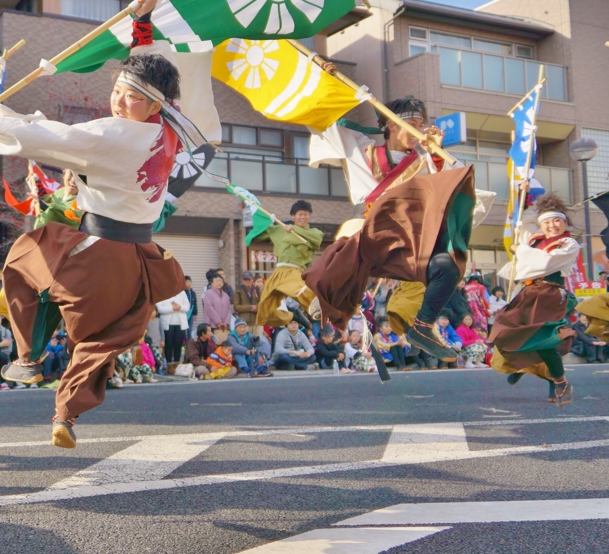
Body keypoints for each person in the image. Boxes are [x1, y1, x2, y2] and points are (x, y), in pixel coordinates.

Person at [0, 0, 188, 449]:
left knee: (22, 260)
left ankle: (27, 357)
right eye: (116, 90)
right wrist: (142, 24)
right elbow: (147, 72)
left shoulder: (109, 134)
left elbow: (45, 138)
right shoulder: (171, 128)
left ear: (153, 105)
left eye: (129, 97)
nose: (117, 100)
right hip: (139, 262)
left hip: (95, 251)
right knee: (100, 342)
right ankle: (65, 415)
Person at [304, 97, 483, 367]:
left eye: (421, 125)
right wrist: (331, 85)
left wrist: (436, 151)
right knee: (347, 249)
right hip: (366, 230)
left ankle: (423, 326)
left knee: (448, 266)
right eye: (411, 124)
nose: (418, 131)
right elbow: (320, 117)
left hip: (404, 241)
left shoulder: (426, 161)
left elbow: (456, 180)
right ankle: (328, 295)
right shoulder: (359, 148)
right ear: (390, 125)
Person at [490, 193, 579, 406]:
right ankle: (521, 365)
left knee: (543, 339)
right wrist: (522, 192)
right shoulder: (533, 239)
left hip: (549, 295)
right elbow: (525, 220)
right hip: (527, 293)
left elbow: (545, 263)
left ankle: (560, 382)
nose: (552, 225)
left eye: (557, 220)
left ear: (565, 221)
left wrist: (519, 250)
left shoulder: (568, 243)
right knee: (504, 331)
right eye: (546, 221)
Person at [248, 201, 323, 329]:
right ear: (293, 216)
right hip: (278, 272)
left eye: (306, 214)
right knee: (265, 307)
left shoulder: (315, 233)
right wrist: (263, 218)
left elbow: (317, 240)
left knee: (301, 289)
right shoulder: (280, 229)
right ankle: (292, 315)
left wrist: (293, 229)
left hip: (295, 270)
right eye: (300, 214)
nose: (303, 217)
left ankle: (321, 310)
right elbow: (259, 233)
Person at [155, 288, 190, 371]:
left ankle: (177, 364)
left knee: (178, 344)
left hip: (180, 323)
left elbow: (187, 306)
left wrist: (180, 307)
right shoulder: (162, 291)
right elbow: (159, 308)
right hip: (168, 323)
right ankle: (169, 364)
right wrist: (171, 308)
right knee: (168, 345)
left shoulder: (182, 292)